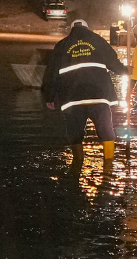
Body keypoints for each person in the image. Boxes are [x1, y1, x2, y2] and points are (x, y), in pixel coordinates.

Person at [41, 19, 128, 160]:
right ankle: (109, 165)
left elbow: (51, 73)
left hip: (72, 98)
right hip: (99, 96)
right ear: (87, 28)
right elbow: (113, 62)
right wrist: (125, 71)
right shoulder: (98, 41)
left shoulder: (62, 45)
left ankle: (77, 162)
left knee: (75, 135)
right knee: (106, 132)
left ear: (71, 29)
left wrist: (49, 97)